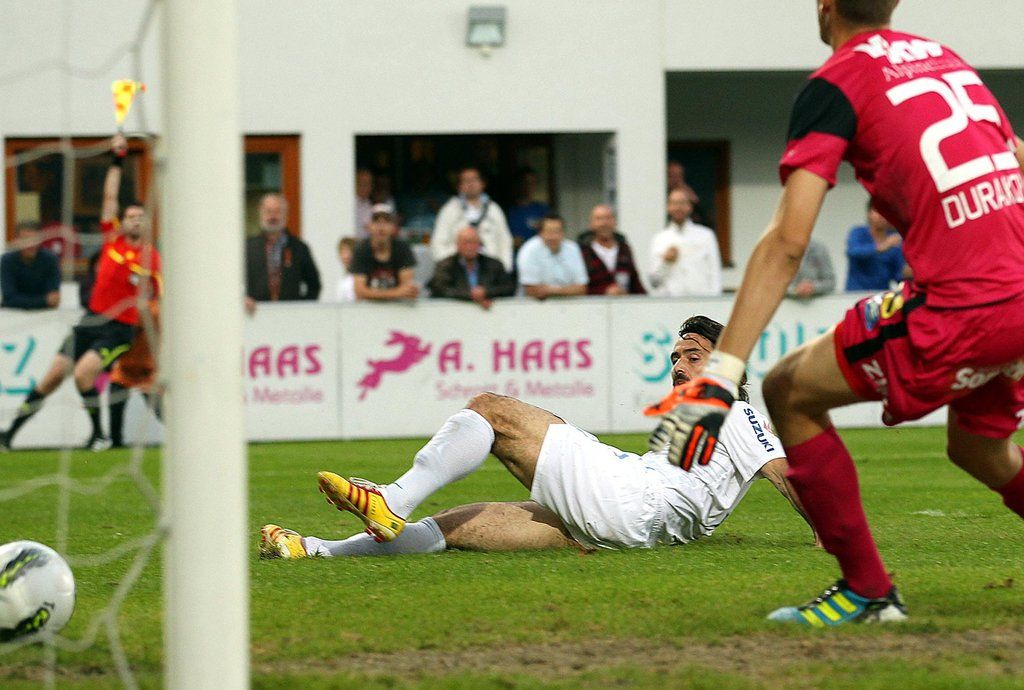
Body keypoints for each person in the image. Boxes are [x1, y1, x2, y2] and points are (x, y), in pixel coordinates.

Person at [648, 0, 1024, 627]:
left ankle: (867, 592)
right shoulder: (946, 59)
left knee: (786, 390)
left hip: (962, 305)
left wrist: (720, 374)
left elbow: (787, 242)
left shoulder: (838, 83)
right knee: (980, 449)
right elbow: (1014, 155)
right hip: (1019, 292)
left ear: (823, 5)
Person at [259, 315, 816, 559]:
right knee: (455, 528)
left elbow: (784, 474)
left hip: (627, 500)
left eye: (692, 356)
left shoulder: (733, 411)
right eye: (675, 357)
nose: (677, 366)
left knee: (491, 411)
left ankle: (391, 498)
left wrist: (829, 534)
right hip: (624, 529)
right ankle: (315, 550)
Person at [0, 133, 162, 452]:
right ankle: (8, 435)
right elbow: (109, 199)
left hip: (119, 331)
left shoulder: (152, 258)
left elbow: (157, 298)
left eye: (140, 217)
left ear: (146, 223)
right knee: (52, 377)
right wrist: (117, 160)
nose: (135, 221)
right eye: (130, 217)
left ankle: (99, 435)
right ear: (122, 222)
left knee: (84, 374)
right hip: (90, 321)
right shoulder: (112, 241)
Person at [244, 193, 321, 314]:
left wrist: (302, 308)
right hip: (255, 315)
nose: (272, 216)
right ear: (261, 213)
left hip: (291, 317)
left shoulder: (299, 248)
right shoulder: (248, 248)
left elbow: (314, 285)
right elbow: (233, 281)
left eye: (277, 211)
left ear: (286, 214)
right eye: (268, 211)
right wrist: (242, 299)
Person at [431, 167, 513, 272]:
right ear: (459, 186)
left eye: (474, 180)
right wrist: (448, 269)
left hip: (490, 270)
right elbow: (438, 244)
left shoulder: (494, 209)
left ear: (483, 183)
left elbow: (505, 242)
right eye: (466, 181)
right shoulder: (449, 210)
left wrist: (504, 270)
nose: (471, 184)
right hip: (458, 270)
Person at [648, 189, 722, 297]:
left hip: (701, 299)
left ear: (690, 207)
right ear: (668, 207)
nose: (678, 207)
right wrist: (666, 263)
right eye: (674, 203)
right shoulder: (659, 239)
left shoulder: (706, 236)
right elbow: (654, 282)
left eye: (682, 203)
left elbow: (715, 272)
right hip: (670, 301)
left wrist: (714, 300)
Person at [428, 226, 515, 309]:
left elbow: (508, 288)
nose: (470, 247)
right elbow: (439, 289)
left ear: (480, 244)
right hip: (453, 313)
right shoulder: (446, 265)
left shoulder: (494, 264)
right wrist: (470, 295)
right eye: (466, 242)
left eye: (474, 242)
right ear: (457, 245)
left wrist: (486, 292)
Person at [351, 204, 419, 301]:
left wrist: (371, 293)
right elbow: (359, 291)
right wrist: (397, 293)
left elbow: (407, 288)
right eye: (376, 222)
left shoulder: (402, 248)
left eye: (386, 222)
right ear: (369, 226)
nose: (381, 227)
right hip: (367, 307)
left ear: (393, 227)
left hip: (397, 306)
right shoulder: (361, 250)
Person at [516, 214, 588, 301]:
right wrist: (568, 290)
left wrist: (549, 290)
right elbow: (532, 291)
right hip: (532, 306)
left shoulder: (573, 248)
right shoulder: (528, 250)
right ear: (540, 233)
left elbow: (582, 289)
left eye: (557, 231)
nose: (553, 236)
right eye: (549, 232)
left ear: (563, 233)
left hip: (568, 305)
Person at [578, 204, 646, 296]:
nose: (604, 223)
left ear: (615, 222)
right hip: (592, 304)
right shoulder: (583, 252)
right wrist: (603, 292)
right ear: (591, 224)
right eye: (599, 219)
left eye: (608, 218)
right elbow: (579, 287)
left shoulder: (624, 250)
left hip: (623, 303)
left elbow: (635, 284)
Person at [1, 220, 61, 310]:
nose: (31, 245)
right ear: (17, 241)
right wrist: (43, 300)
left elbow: (53, 299)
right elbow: (9, 298)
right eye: (26, 240)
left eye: (34, 240)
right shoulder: (7, 260)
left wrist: (19, 300)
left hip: (45, 314)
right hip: (13, 314)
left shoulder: (50, 260)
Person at [845, 202, 906, 291]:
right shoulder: (859, 232)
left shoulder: (894, 238)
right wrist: (882, 246)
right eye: (877, 211)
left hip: (880, 293)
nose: (881, 216)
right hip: (855, 293)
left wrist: (907, 273)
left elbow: (897, 275)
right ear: (868, 213)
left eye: (885, 212)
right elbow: (853, 252)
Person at [506, 167, 550, 251]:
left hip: (538, 254)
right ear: (519, 184)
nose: (529, 186)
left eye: (533, 183)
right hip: (516, 255)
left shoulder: (543, 210)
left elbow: (550, 234)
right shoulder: (509, 211)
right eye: (525, 182)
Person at [333, 237, 357, 303]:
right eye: (343, 252)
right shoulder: (343, 280)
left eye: (350, 252)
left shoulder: (360, 279)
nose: (346, 256)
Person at [354, 168, 374, 238]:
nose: (367, 187)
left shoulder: (369, 205)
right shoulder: (349, 204)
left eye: (369, 184)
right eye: (363, 183)